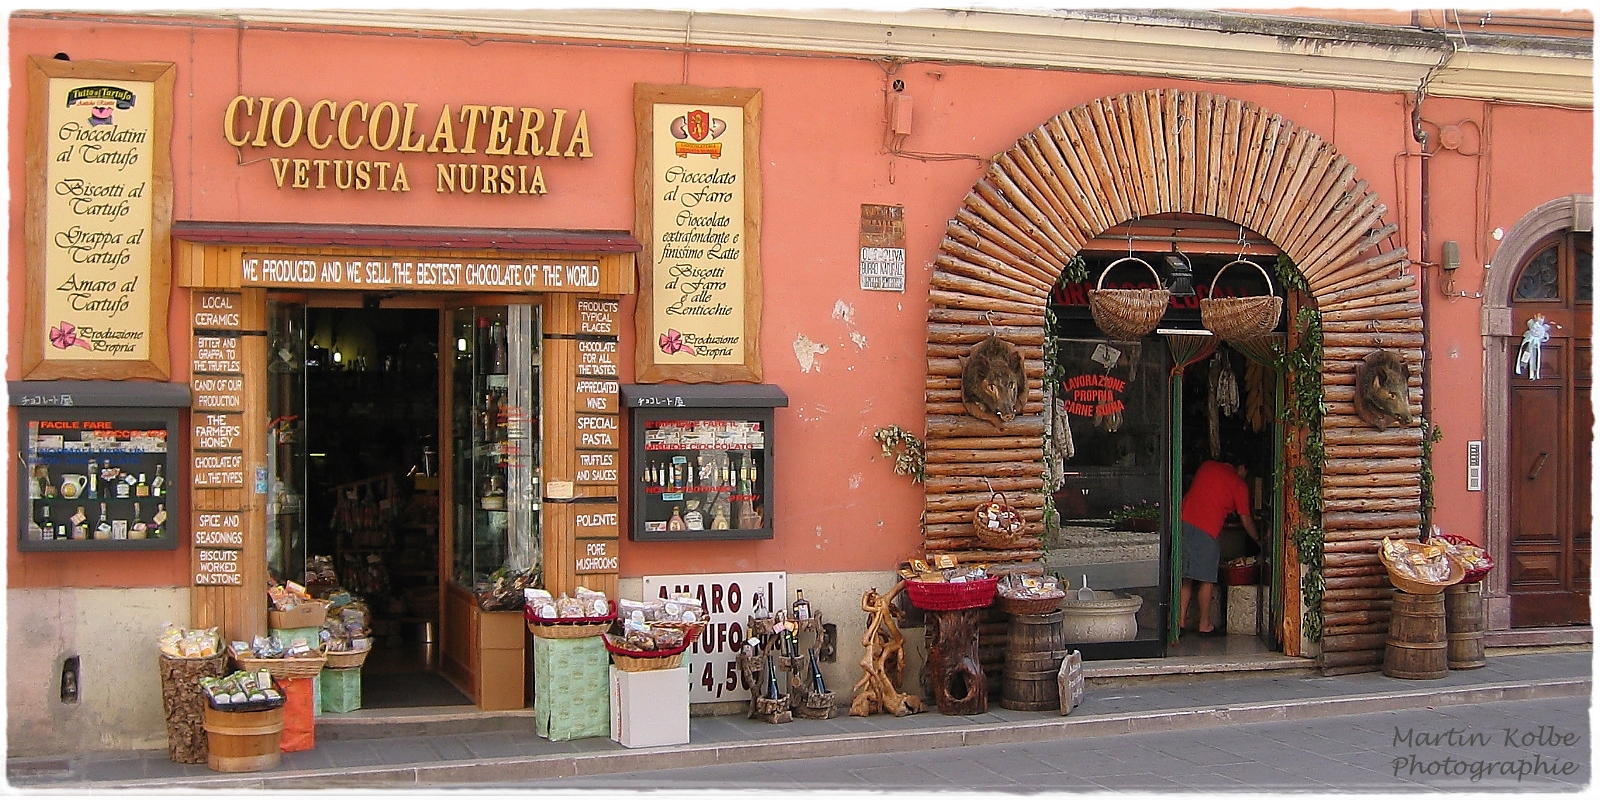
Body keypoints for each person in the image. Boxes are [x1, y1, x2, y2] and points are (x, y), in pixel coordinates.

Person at [1179, 459, 1258, 636]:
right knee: (1206, 578)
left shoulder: (1206, 465)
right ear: (1242, 467)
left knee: (1186, 576)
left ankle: (1179, 622)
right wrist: (1259, 539)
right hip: (1208, 528)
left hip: (1183, 521)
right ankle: (1204, 625)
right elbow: (1246, 520)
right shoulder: (1239, 485)